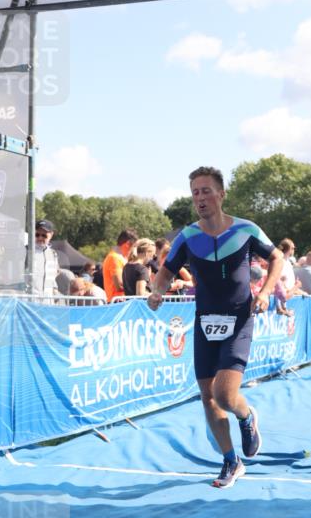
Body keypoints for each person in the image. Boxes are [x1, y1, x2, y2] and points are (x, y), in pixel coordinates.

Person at [148, 166, 283, 490]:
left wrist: (264, 292)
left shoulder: (246, 230)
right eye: (195, 192)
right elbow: (167, 271)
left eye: (206, 190)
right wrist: (157, 290)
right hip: (205, 321)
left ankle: (246, 416)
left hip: (239, 318)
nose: (200, 198)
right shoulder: (188, 236)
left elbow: (277, 258)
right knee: (207, 397)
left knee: (224, 395)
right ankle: (230, 460)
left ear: (221, 194)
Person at [102, 228, 138, 302]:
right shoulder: (115, 258)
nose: (134, 250)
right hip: (117, 303)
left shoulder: (118, 257)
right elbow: (119, 285)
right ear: (128, 244)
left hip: (121, 302)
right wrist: (139, 284)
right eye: (134, 246)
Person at [33, 219, 61, 298]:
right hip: (30, 301)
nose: (40, 238)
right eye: (37, 235)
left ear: (51, 235)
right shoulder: (26, 251)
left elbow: (53, 276)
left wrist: (55, 289)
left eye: (44, 235)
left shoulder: (53, 254)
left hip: (48, 301)